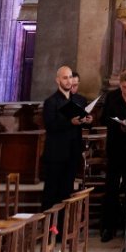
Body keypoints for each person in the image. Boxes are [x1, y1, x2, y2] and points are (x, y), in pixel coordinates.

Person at [41, 64, 92, 213]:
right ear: (58, 80)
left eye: (70, 77)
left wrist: (88, 121)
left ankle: (62, 231)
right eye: (65, 78)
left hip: (72, 153)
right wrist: (70, 122)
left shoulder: (79, 100)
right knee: (52, 193)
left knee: (66, 192)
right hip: (56, 154)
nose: (69, 81)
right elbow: (50, 126)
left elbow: (85, 126)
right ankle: (50, 230)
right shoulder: (51, 102)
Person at [100, 68, 126, 242]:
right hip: (115, 146)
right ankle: (108, 227)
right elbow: (103, 118)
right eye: (123, 86)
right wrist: (118, 123)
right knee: (112, 189)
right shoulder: (112, 97)